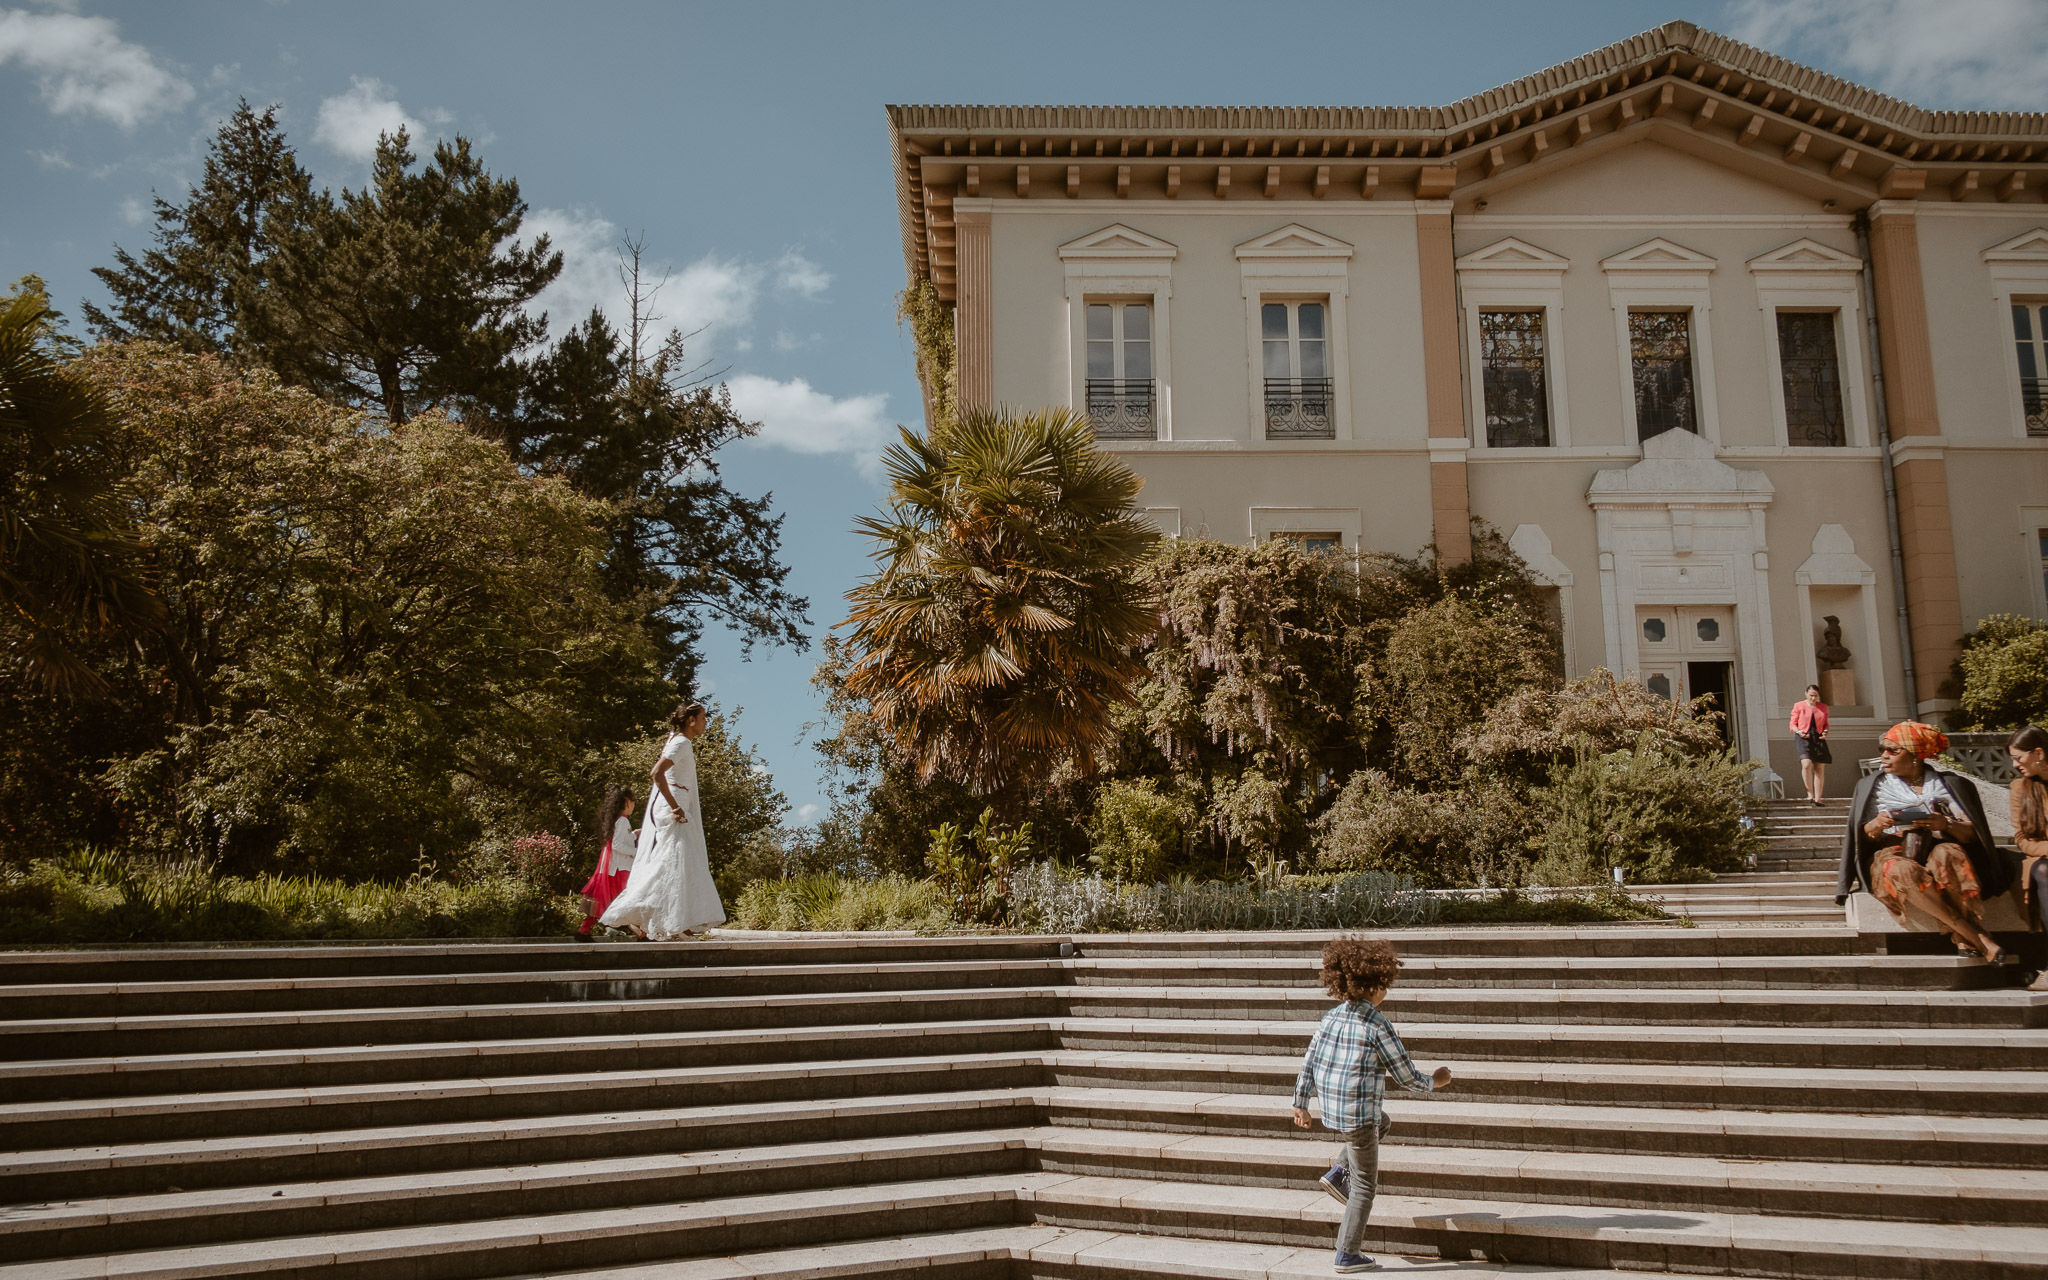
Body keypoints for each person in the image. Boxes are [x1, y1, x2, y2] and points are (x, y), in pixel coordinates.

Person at [1291, 937, 1451, 1274]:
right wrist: (1435, 1080)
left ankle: (1337, 1172)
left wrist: (1301, 1103)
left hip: (1334, 1108)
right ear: (1376, 985)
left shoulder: (1331, 1017)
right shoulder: (1378, 1025)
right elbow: (1406, 1076)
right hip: (1358, 1115)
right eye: (1385, 985)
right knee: (1364, 1186)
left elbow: (1309, 1061)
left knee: (1383, 1121)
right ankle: (1347, 1253)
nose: (1386, 992)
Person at [1836, 720, 2013, 963]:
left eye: (1893, 750)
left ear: (1916, 756)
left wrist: (1946, 824)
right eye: (1882, 750)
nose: (1884, 756)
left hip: (1936, 845)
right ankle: (1975, 936)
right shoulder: (1871, 786)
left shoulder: (1950, 784)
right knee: (1903, 869)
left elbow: (1974, 835)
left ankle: (1961, 936)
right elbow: (1862, 837)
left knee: (1950, 854)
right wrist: (1877, 823)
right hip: (1889, 853)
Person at [599, 703, 727, 940]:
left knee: (680, 863)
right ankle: (643, 913)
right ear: (690, 720)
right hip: (674, 808)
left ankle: (677, 921)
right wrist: (675, 806)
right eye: (702, 718)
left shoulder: (677, 741)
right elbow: (656, 772)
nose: (705, 722)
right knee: (673, 862)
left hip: (677, 804)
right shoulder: (680, 743)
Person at [2010, 728, 2048, 977]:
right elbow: (2021, 838)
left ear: (2039, 753)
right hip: (2040, 858)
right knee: (2045, 871)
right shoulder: (2020, 788)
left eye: (2018, 757)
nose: (2014, 764)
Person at [576, 786, 636, 939]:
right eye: (633, 802)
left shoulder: (617, 820)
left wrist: (634, 834)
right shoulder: (623, 821)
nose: (634, 805)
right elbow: (618, 846)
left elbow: (619, 841)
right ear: (627, 802)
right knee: (629, 899)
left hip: (611, 867)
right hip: (619, 869)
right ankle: (643, 933)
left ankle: (584, 930)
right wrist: (638, 853)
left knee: (603, 900)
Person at [1790, 684, 1831, 804]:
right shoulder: (1798, 706)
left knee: (1819, 768)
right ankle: (1810, 794)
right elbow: (1792, 724)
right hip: (1803, 737)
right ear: (1806, 694)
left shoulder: (1823, 707)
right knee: (1806, 764)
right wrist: (1799, 732)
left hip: (1818, 738)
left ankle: (1818, 798)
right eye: (1811, 695)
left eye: (1816, 696)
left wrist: (1825, 732)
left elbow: (1826, 724)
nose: (1813, 698)